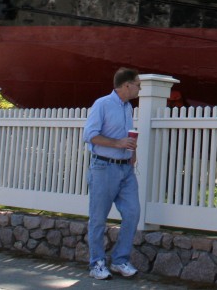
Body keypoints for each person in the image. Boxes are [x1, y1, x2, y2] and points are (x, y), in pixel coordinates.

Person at [83, 67, 141, 280]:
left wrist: (131, 152)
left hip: (125, 168)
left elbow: (125, 136)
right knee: (98, 217)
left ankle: (120, 260)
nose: (139, 89)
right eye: (138, 85)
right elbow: (90, 135)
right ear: (127, 85)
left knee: (133, 212)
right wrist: (117, 143)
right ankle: (96, 263)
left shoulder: (128, 108)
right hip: (104, 167)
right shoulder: (102, 104)